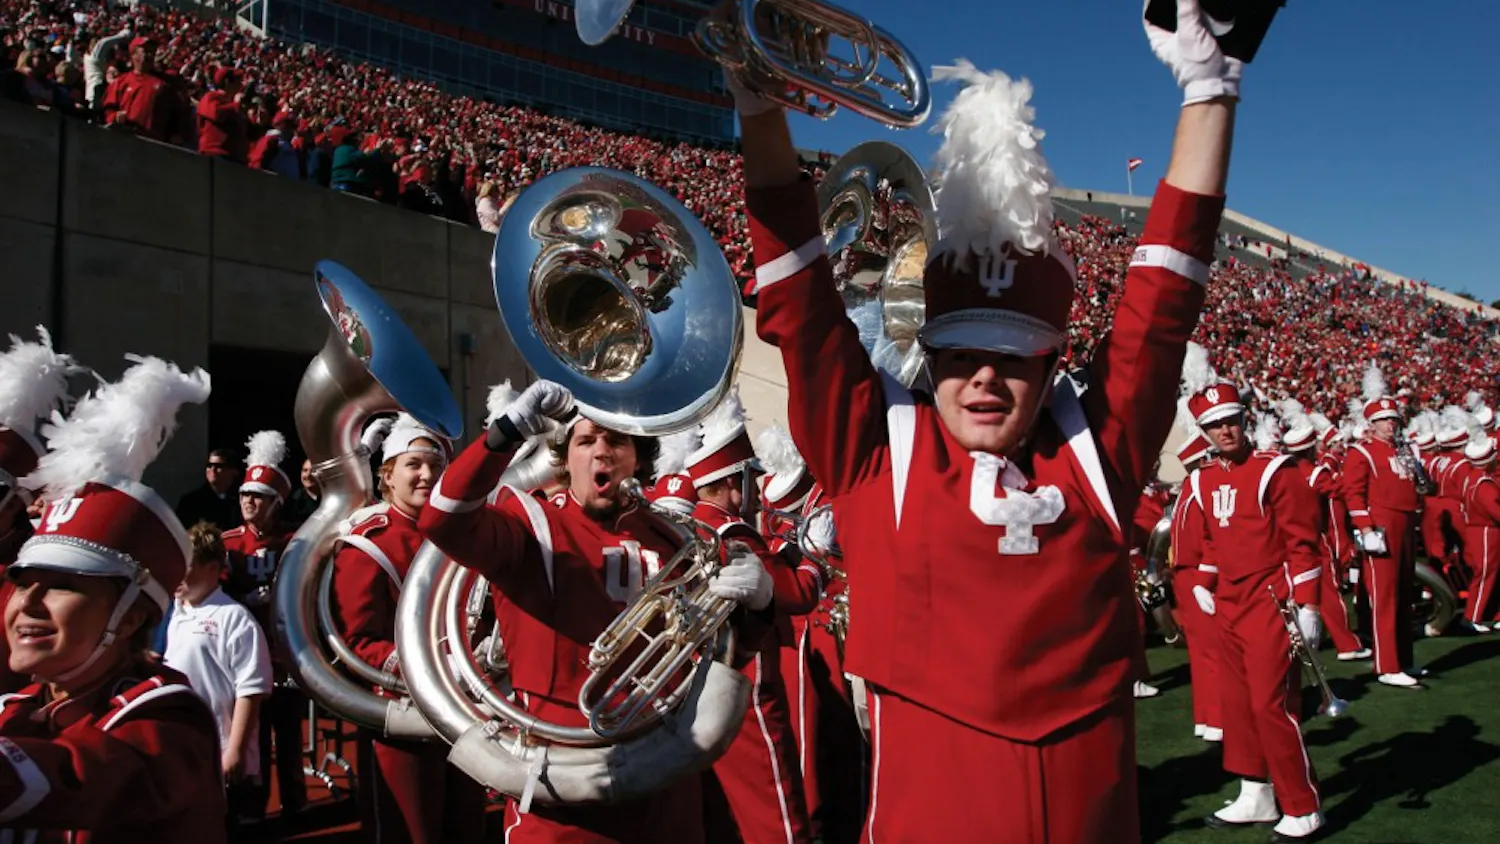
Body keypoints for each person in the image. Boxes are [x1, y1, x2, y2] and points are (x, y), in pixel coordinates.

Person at [737, 0, 1249, 838]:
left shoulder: (1097, 449)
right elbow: (800, 300)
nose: (983, 377)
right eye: (962, 355)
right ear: (929, 359)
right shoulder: (875, 451)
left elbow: (1165, 301)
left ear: (1049, 368)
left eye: (1011, 358)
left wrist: (1210, 89)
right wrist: (760, 111)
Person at [418, 380, 777, 843]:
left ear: (638, 458)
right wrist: (503, 435)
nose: (601, 452)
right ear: (565, 459)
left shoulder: (676, 538)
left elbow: (727, 656)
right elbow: (441, 520)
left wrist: (758, 607)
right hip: (563, 793)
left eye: (616, 440)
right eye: (586, 441)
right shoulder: (533, 523)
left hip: (666, 782)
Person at [0, 354, 223, 842]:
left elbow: (78, 776)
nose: (27, 600)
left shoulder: (167, 717)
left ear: (128, 619)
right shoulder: (17, 708)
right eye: (20, 580)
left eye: (62, 584)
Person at [329, 413, 485, 844]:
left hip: (464, 713)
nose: (427, 475)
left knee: (467, 829)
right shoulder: (370, 542)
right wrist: (431, 669)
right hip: (399, 715)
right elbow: (357, 643)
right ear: (387, 476)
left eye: (435, 466)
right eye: (413, 464)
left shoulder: (460, 534)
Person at [1182, 377, 1323, 838]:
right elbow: (1209, 540)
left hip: (1269, 600)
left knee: (1270, 704)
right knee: (1237, 704)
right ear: (1204, 432)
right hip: (1227, 603)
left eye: (1231, 421)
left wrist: (1308, 604)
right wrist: (1204, 579)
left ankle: (1302, 804)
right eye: (1215, 425)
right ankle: (1255, 792)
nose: (1225, 431)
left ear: (1245, 420)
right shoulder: (1202, 478)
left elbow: (1303, 544)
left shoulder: (1275, 471)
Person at [685, 393, 813, 844]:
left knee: (724, 814)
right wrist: (809, 556)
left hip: (702, 687)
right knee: (777, 811)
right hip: (749, 680)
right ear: (730, 482)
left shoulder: (688, 525)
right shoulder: (732, 531)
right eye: (747, 479)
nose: (754, 490)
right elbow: (798, 593)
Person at [164, 521, 274, 829]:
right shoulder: (172, 613)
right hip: (183, 750)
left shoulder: (234, 617)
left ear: (212, 568)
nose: (177, 575)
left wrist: (235, 750)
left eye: (186, 566)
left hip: (220, 752)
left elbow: (250, 689)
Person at [221, 430, 306, 819]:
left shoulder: (296, 540)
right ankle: (253, 808)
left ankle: (296, 805)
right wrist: (242, 599)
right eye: (244, 495)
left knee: (288, 734)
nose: (248, 502)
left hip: (285, 653)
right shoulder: (227, 542)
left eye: (257, 496)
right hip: (245, 656)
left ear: (276, 502)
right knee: (252, 735)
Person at [1341, 365, 1424, 688]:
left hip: (1404, 523)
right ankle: (1386, 664)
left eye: (1394, 420)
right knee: (1385, 597)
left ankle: (1404, 659)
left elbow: (1418, 486)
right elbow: (1353, 493)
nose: (1391, 425)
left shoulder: (1401, 450)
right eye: (1384, 420)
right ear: (1371, 424)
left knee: (1405, 596)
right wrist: (1365, 528)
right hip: (1381, 526)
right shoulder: (1361, 452)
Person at [1167, 429, 1222, 742]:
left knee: (1202, 653)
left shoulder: (1188, 490)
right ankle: (1216, 718)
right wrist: (1206, 578)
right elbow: (1210, 537)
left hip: (1187, 576)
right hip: (1198, 576)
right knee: (1211, 652)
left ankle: (1207, 718)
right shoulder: (1200, 487)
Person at [175, 448, 243, 531]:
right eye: (209, 465)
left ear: (234, 471)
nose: (212, 470)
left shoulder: (240, 502)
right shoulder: (191, 502)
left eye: (218, 466)